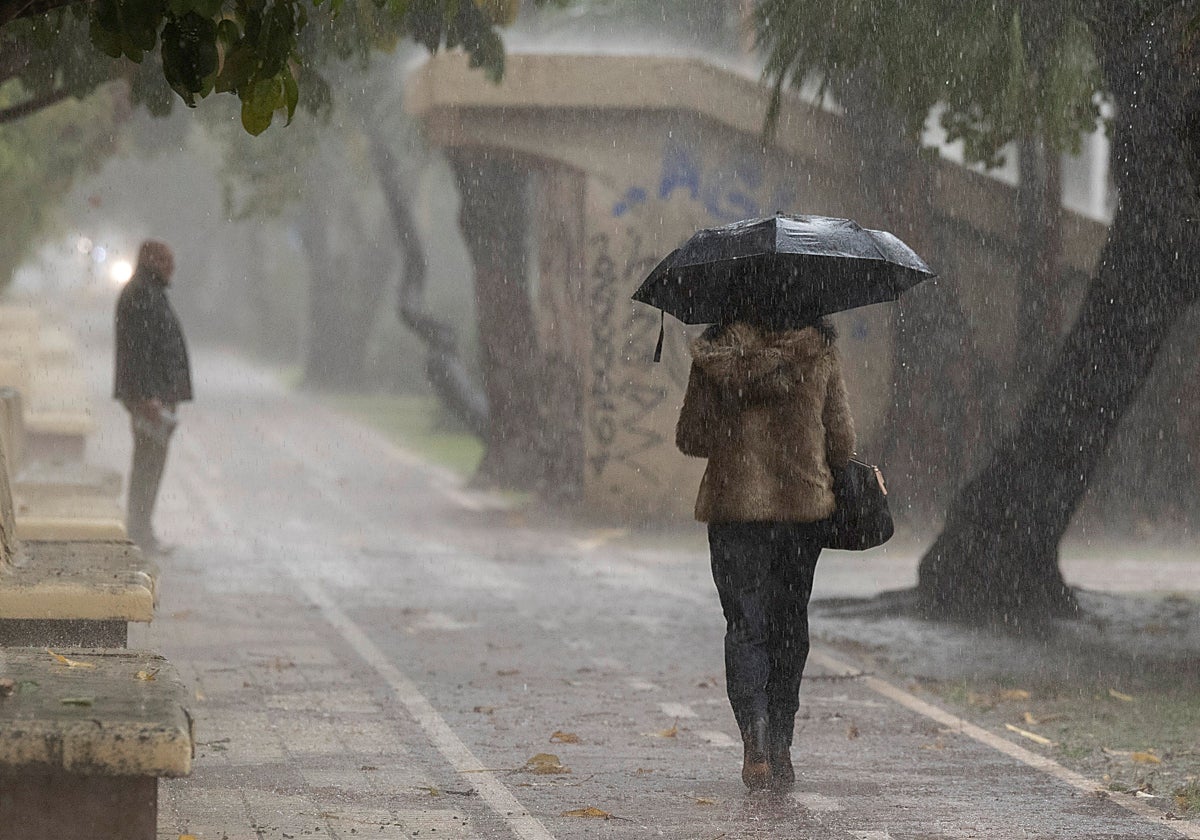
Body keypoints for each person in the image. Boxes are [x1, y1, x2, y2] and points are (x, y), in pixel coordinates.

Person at [675, 310, 855, 792]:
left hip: (734, 509)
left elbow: (691, 438)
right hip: (801, 511)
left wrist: (733, 419)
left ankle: (754, 738)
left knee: (745, 626)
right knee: (789, 624)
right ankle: (781, 742)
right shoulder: (818, 349)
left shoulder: (715, 355)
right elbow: (841, 442)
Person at [114, 239, 192, 554]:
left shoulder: (147, 292)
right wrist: (147, 396)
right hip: (150, 398)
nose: (173, 267)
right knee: (148, 463)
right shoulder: (142, 295)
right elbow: (138, 351)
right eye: (166, 260)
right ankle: (140, 531)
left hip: (154, 393)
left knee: (150, 463)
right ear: (153, 261)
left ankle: (142, 529)